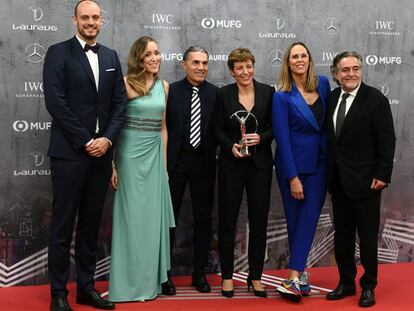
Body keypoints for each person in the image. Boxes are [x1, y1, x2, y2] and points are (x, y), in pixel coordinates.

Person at [43, 1, 126, 310]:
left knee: (92, 224)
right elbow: (56, 102)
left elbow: (120, 104)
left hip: (102, 155)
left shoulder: (110, 56)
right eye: (85, 17)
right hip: (69, 154)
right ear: (74, 20)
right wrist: (86, 140)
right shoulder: (57, 53)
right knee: (63, 224)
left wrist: (106, 140)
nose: (91, 22)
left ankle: (86, 288)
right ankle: (59, 294)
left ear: (101, 21)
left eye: (95, 17)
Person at [326, 51, 395, 308]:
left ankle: (368, 286)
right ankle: (345, 283)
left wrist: (382, 174)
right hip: (338, 182)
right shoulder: (332, 98)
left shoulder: (375, 99)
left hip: (367, 182)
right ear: (336, 74)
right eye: (345, 70)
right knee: (342, 237)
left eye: (356, 68)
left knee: (366, 237)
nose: (351, 74)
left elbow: (387, 141)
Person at [108, 36, 175, 302]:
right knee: (130, 222)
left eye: (157, 53)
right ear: (139, 58)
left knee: (150, 223)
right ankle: (126, 283)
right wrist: (112, 162)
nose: (155, 58)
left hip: (155, 158)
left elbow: (163, 128)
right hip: (128, 156)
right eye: (149, 54)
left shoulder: (165, 86)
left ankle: (149, 282)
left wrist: (164, 166)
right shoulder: (124, 85)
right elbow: (114, 124)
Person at [272, 42, 331, 302]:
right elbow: (282, 139)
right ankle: (300, 275)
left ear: (309, 59)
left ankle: (293, 277)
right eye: (294, 56)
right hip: (291, 167)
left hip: (320, 164)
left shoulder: (324, 84)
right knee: (295, 222)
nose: (299, 60)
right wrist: (293, 177)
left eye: (303, 55)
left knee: (308, 219)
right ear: (288, 62)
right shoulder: (281, 95)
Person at [215, 48, 274, 298]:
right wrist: (230, 147)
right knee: (227, 222)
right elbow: (216, 130)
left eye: (248, 66)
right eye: (239, 68)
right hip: (232, 165)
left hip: (260, 167)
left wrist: (261, 137)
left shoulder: (268, 93)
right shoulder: (223, 94)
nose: (245, 71)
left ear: (254, 65)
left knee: (259, 223)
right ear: (231, 71)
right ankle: (227, 277)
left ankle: (256, 277)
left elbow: (275, 129)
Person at [164, 46, 218, 294]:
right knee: (169, 219)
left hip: (204, 163)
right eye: (195, 62)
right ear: (184, 64)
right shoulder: (170, 91)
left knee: (203, 220)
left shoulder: (216, 94)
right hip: (175, 163)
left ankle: (199, 273)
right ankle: (164, 275)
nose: (201, 67)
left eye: (205, 63)